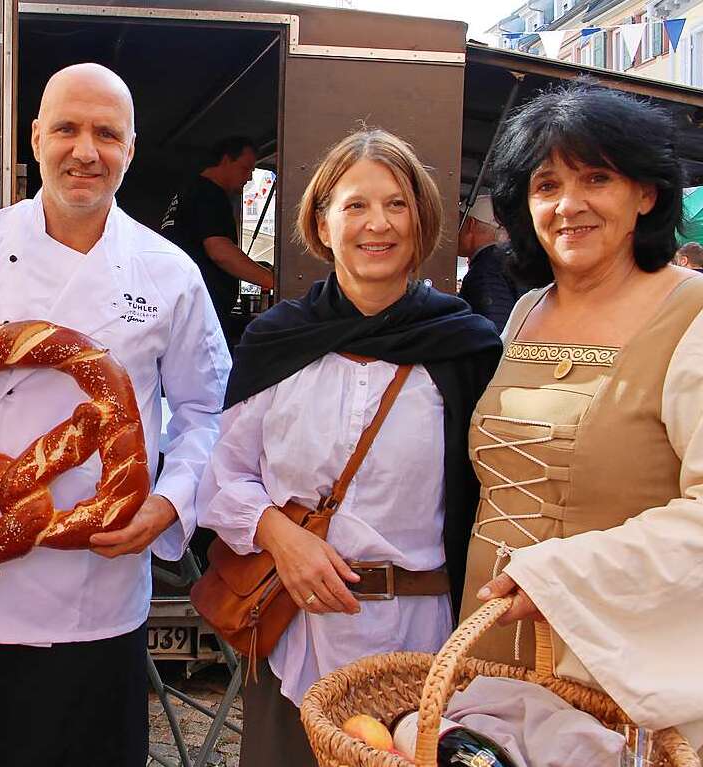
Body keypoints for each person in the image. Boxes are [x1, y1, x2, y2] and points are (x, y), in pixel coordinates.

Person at [0, 63, 229, 766]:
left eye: (106, 133)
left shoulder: (169, 273)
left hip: (97, 598)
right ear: (34, 137)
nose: (85, 149)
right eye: (66, 128)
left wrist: (170, 499)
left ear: (131, 147)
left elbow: (206, 408)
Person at [196, 128, 501, 766]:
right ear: (323, 223)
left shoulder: (466, 348)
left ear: (422, 222)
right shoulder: (278, 342)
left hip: (424, 646)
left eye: (396, 204)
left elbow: (495, 501)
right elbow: (221, 480)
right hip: (295, 639)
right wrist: (283, 537)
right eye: (355, 205)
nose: (377, 224)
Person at [460, 82, 703, 749]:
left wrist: (558, 578)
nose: (569, 204)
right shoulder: (525, 311)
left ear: (646, 193)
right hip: (488, 646)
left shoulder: (693, 315)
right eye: (546, 185)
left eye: (597, 177)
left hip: (615, 665)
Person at [161, 136, 275, 350]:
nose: (249, 177)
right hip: (199, 312)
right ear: (225, 160)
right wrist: (273, 280)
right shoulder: (209, 194)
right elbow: (220, 251)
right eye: (245, 168)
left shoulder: (189, 191)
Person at [458, 195, 523, 332]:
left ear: (470, 224)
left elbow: (493, 330)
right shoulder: (513, 260)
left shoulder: (485, 268)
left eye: (458, 222)